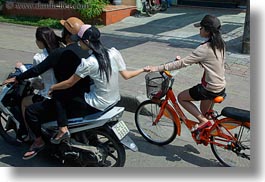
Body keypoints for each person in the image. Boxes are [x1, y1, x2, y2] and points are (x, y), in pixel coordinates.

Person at [2, 17, 92, 160]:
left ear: (66, 34)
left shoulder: (58, 53)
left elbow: (36, 71)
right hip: (86, 95)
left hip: (65, 98)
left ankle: (38, 141)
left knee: (30, 110)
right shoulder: (86, 51)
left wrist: (18, 77)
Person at [48, 24, 150, 144]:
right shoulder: (114, 53)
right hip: (114, 100)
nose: (78, 44)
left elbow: (69, 83)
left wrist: (53, 87)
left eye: (79, 41)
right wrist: (143, 69)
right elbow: (126, 75)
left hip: (97, 105)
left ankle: (62, 129)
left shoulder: (88, 63)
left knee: (59, 95)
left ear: (86, 41)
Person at [149, 15, 226, 134]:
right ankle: (209, 132)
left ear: (207, 30)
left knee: (181, 97)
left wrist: (156, 68)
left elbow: (183, 63)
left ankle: (202, 122)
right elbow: (211, 63)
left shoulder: (204, 49)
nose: (199, 30)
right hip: (220, 86)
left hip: (209, 88)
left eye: (201, 28)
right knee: (205, 113)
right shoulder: (220, 44)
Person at [15, 27, 61, 142]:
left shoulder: (40, 57)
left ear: (41, 41)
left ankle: (34, 137)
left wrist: (21, 68)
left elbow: (34, 77)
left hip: (49, 95)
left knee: (25, 103)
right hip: (64, 92)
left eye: (37, 40)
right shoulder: (62, 50)